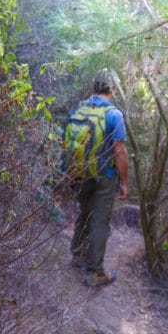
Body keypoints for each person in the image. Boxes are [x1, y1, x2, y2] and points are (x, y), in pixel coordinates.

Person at [66, 79, 129, 286]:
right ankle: (95, 272)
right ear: (111, 91)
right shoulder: (114, 115)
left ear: (94, 89)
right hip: (104, 175)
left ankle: (77, 256)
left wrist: (69, 172)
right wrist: (124, 183)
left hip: (79, 172)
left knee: (85, 213)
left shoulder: (78, 109)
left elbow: (67, 143)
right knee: (100, 220)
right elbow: (119, 151)